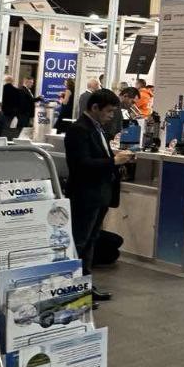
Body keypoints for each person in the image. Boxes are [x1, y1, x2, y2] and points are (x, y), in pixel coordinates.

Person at [64, 89, 134, 302]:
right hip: (85, 195)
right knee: (80, 241)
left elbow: (97, 156)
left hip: (100, 194)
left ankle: (84, 286)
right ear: (95, 107)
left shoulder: (97, 128)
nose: (111, 116)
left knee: (91, 241)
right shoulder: (79, 130)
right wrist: (114, 161)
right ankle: (71, 290)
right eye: (109, 111)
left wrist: (114, 158)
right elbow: (81, 164)